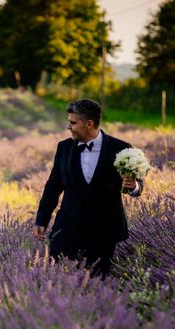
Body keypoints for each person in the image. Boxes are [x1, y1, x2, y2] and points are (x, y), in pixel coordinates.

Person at [33, 98, 143, 279]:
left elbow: (138, 185)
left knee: (98, 281)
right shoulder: (64, 147)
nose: (68, 126)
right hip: (67, 227)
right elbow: (53, 186)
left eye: (73, 122)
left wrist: (134, 186)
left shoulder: (121, 149)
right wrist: (41, 221)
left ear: (89, 124)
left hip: (104, 229)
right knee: (57, 276)